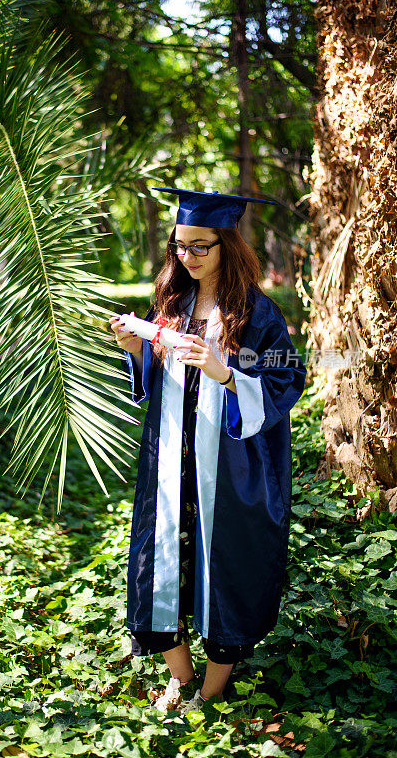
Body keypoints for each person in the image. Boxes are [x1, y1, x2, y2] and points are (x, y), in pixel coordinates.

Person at [109, 187, 307, 715]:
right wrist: (138, 351)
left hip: (230, 466)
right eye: (180, 246)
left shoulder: (256, 314)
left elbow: (289, 378)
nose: (188, 257)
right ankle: (180, 677)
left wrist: (225, 371)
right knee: (161, 566)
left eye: (201, 246)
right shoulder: (171, 305)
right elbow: (158, 377)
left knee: (230, 568)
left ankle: (212, 689)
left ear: (227, 247)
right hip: (171, 461)